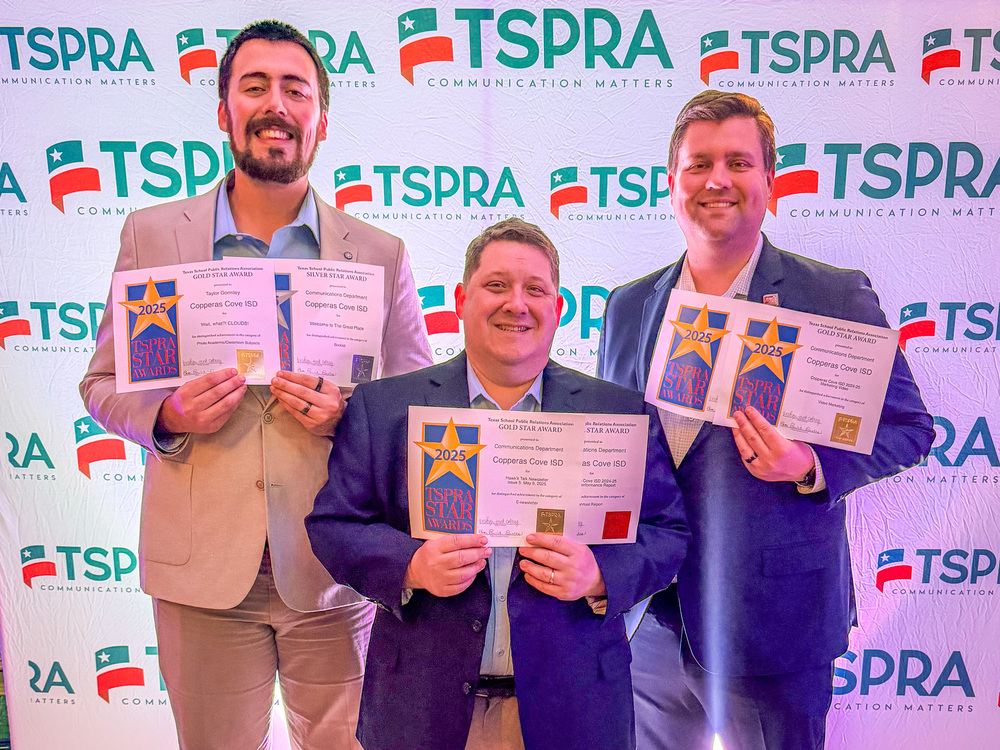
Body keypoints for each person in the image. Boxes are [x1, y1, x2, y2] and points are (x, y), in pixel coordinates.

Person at [79, 20, 431, 750]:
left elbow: (420, 410)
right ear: (223, 111)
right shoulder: (153, 236)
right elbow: (103, 382)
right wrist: (168, 414)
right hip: (200, 577)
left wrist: (351, 418)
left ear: (320, 121)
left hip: (334, 572)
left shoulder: (378, 254)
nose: (276, 104)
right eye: (255, 86)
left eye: (295, 89)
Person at [597, 90, 934, 750]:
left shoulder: (832, 295)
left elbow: (911, 430)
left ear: (770, 183)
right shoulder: (629, 304)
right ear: (672, 184)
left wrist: (808, 465)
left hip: (775, 626)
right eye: (698, 164)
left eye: (738, 162)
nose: (717, 180)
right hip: (650, 620)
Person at [306, 218, 689, 750]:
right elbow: (335, 525)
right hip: (421, 710)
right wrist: (410, 566)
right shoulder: (385, 407)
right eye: (496, 285)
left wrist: (601, 574)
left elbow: (669, 533)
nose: (517, 303)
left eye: (536, 290)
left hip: (571, 711)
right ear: (462, 299)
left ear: (558, 309)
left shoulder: (616, 412)